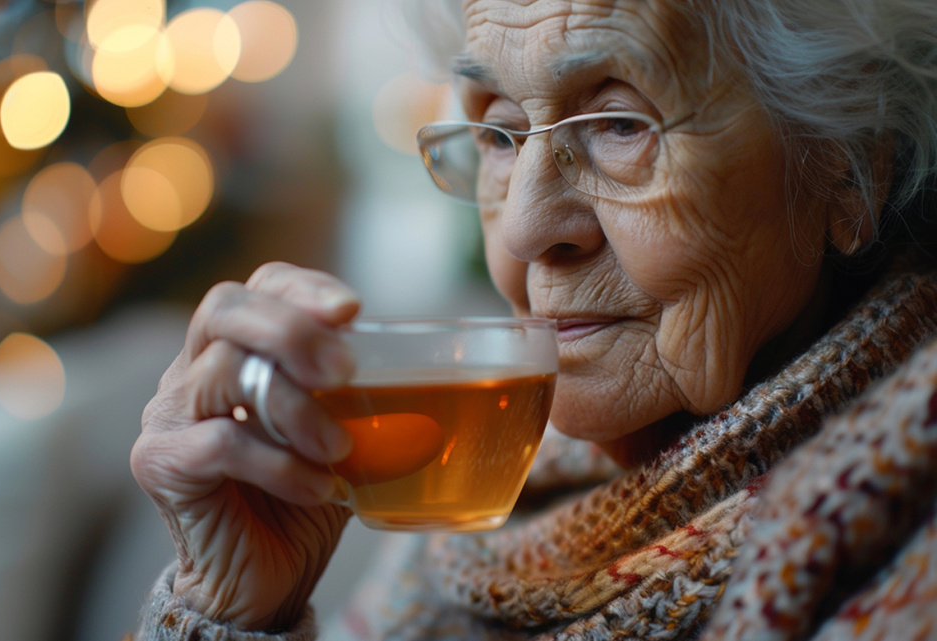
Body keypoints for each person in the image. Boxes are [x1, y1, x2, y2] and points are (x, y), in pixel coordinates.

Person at [128, 0, 937, 639]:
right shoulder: (483, 515)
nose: (521, 228)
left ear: (849, 167)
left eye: (620, 123)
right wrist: (226, 609)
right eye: (500, 134)